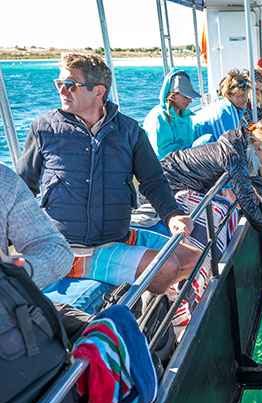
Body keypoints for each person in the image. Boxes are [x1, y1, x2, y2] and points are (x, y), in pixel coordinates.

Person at [16, 53, 200, 295]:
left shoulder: (129, 131)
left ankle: (146, 293)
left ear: (98, 91)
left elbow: (153, 180)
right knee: (167, 267)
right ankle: (147, 298)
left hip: (118, 237)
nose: (62, 90)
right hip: (70, 248)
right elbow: (21, 188)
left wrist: (172, 215)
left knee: (193, 257)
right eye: (59, 84)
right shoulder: (43, 128)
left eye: (70, 85)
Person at [161, 116, 262, 241]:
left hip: (178, 173)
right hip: (170, 180)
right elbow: (245, 198)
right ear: (256, 145)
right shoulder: (235, 157)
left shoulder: (241, 144)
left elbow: (255, 178)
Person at [0, 163, 73, 289]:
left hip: (9, 301)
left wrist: (17, 272)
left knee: (117, 310)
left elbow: (57, 249)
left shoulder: (4, 179)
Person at [143, 69, 201, 159]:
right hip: (167, 167)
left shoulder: (186, 115)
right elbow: (162, 152)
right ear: (173, 96)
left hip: (185, 160)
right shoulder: (159, 117)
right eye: (186, 97)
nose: (190, 101)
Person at [192, 68, 251, 143]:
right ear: (227, 95)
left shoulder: (222, 103)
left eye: (246, 95)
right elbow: (232, 145)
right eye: (240, 96)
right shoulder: (226, 111)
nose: (245, 99)